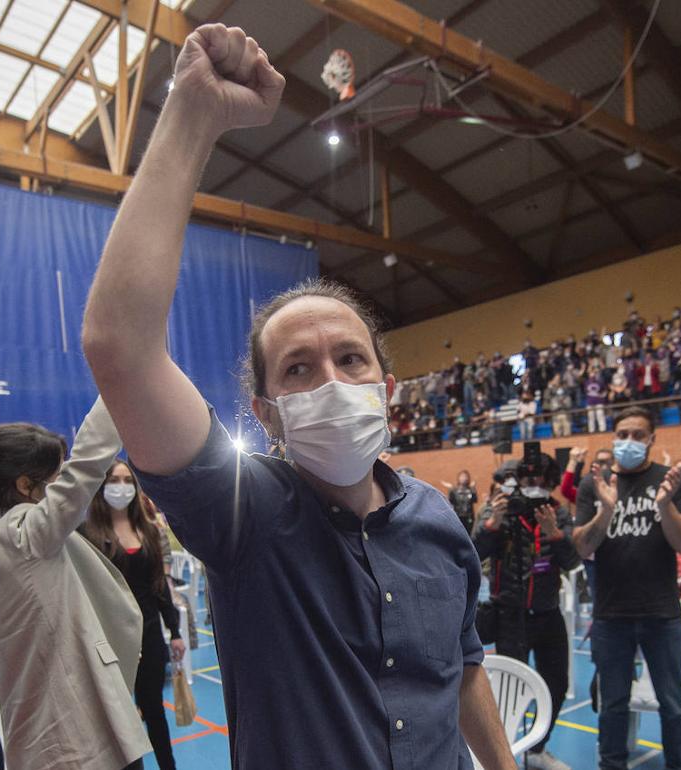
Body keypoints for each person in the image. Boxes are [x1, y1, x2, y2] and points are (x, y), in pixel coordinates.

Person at [81, 24, 514, 770]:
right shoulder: (243, 513)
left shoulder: (439, 521)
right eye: (300, 370)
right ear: (266, 412)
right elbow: (119, 345)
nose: (334, 381)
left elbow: (463, 666)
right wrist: (194, 114)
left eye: (351, 359)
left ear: (386, 389)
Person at [0, 400, 151, 770]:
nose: (60, 485)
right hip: (81, 740)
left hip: (33, 742)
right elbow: (88, 463)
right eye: (54, 478)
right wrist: (119, 379)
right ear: (25, 485)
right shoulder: (25, 533)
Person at [573, 407, 681, 770]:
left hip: (662, 614)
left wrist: (664, 506)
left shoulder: (671, 481)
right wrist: (606, 510)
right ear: (613, 437)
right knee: (613, 705)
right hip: (611, 616)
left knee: (673, 704)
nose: (629, 441)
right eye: (622, 434)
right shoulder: (593, 484)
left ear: (652, 439)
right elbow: (582, 546)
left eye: (638, 435)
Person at [473, 457, 579, 770]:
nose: (534, 485)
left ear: (550, 483)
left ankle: (537, 750)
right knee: (509, 690)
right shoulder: (499, 510)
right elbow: (472, 553)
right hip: (509, 616)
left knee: (557, 683)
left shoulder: (558, 512)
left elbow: (573, 562)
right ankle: (503, 756)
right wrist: (491, 526)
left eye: (541, 480)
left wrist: (555, 534)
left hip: (548, 614)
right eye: (527, 478)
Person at [80, 463, 186, 770]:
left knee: (154, 710)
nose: (122, 486)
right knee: (118, 717)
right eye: (114, 480)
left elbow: (159, 586)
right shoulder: (87, 534)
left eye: (128, 480)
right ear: (102, 486)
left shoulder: (148, 531)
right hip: (108, 637)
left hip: (149, 632)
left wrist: (175, 631)